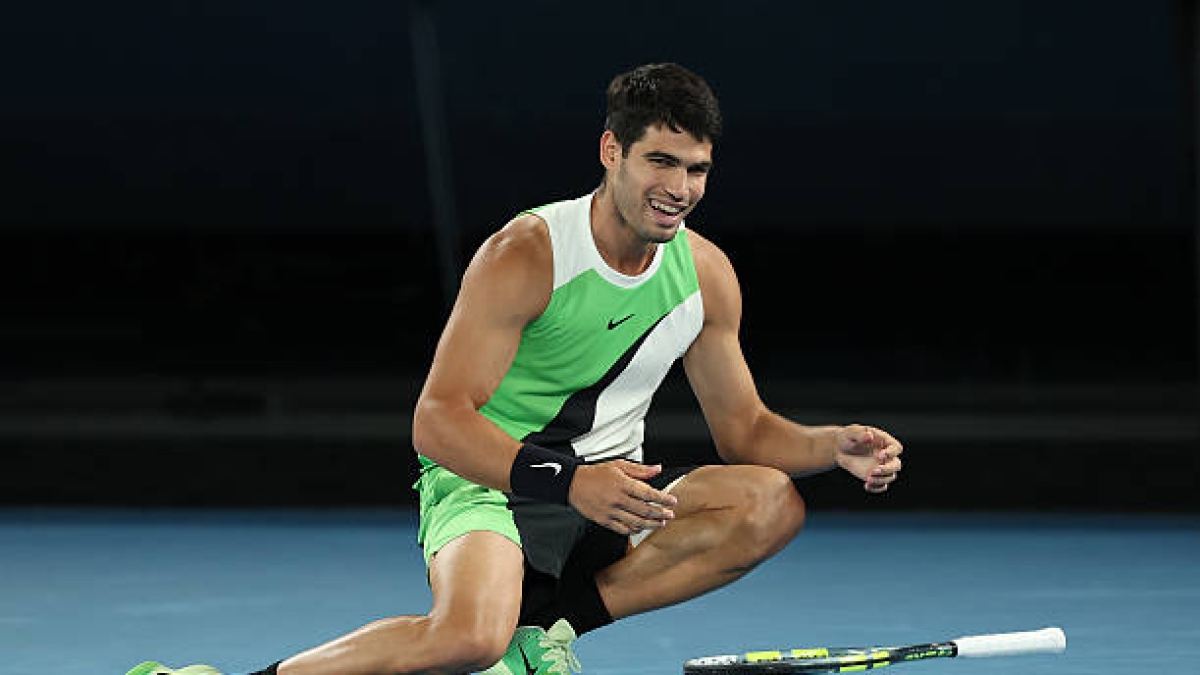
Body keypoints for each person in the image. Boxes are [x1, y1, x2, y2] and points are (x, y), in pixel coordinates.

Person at [127, 61, 903, 675]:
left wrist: (830, 445)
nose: (680, 189)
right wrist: (566, 480)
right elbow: (436, 421)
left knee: (771, 503)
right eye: (660, 162)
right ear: (612, 151)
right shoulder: (527, 253)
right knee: (466, 638)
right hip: (489, 480)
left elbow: (748, 429)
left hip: (606, 496)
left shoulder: (707, 275)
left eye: (696, 169)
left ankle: (548, 630)